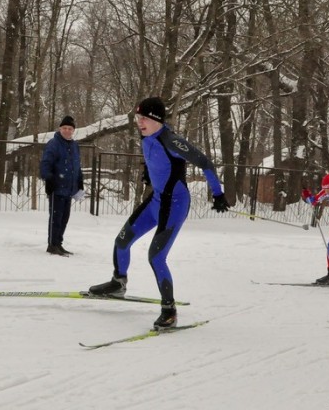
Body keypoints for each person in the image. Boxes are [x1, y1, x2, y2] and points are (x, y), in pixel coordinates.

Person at [88, 97, 231, 330]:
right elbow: (156, 162)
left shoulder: (171, 140)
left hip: (175, 204)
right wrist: (147, 173)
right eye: (137, 118)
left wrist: (218, 194)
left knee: (156, 256)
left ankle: (169, 311)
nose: (139, 123)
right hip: (156, 201)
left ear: (156, 119)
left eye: (144, 118)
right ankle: (118, 283)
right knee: (122, 241)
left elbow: (204, 161)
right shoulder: (146, 137)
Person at [40, 115, 85, 256]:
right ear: (60, 129)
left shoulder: (74, 145)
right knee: (56, 218)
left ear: (73, 131)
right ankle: (52, 245)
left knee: (64, 218)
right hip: (56, 187)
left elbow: (76, 166)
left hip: (69, 188)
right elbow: (45, 164)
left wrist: (79, 181)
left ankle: (58, 244)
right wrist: (49, 179)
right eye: (64, 128)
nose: (67, 131)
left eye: (70, 128)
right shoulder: (54, 144)